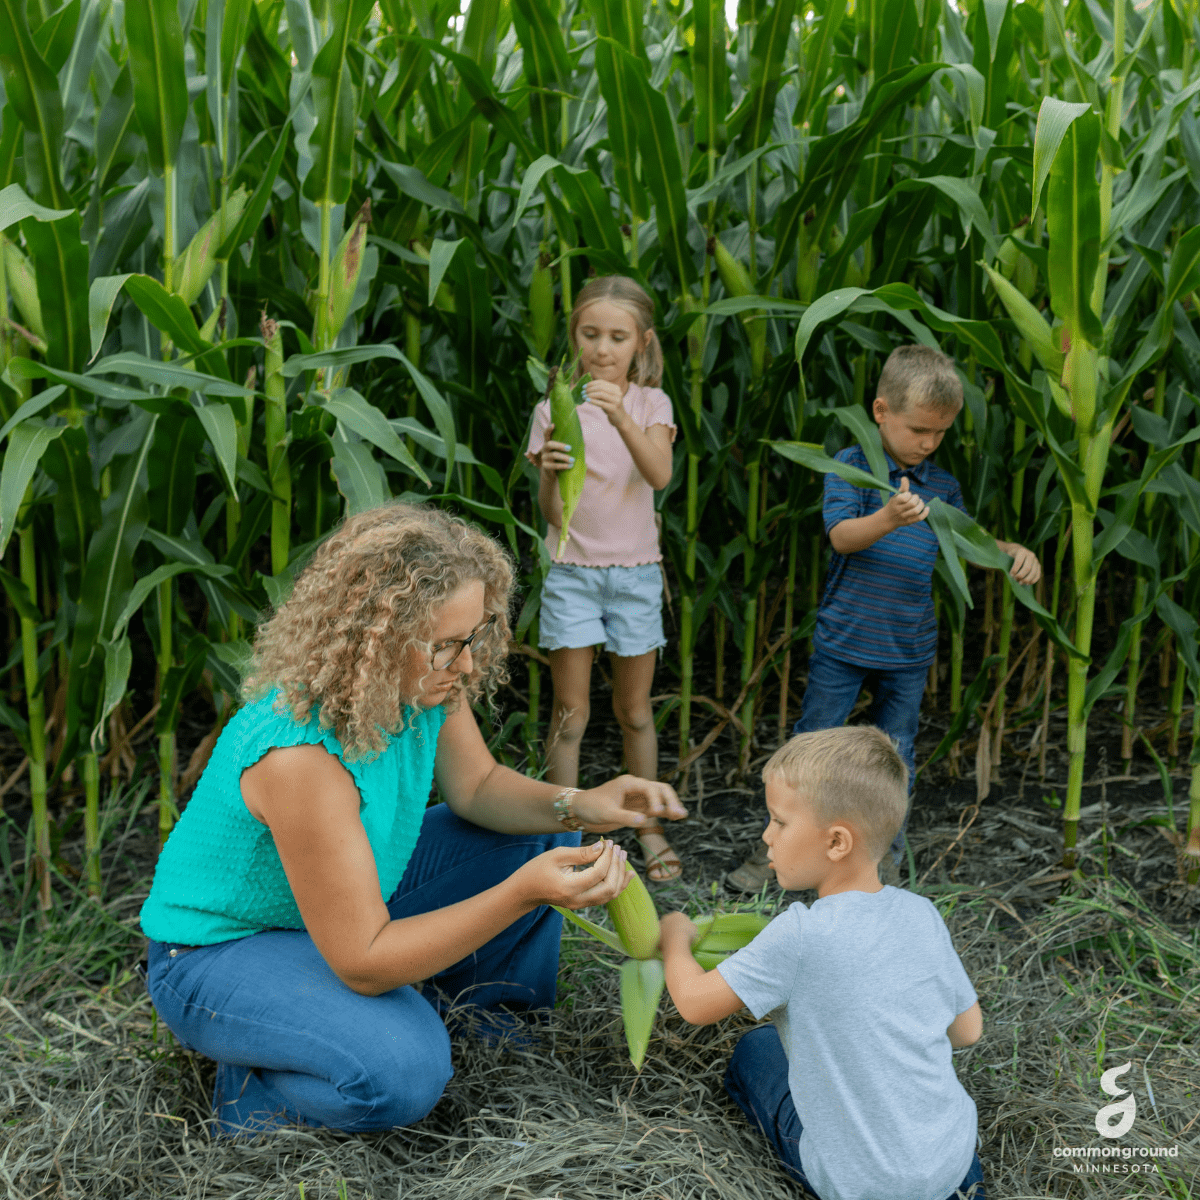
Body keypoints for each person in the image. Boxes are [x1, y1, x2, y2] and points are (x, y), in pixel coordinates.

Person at [139, 503, 685, 1135]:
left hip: (348, 907)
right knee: (400, 1073)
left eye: (475, 637)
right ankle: (253, 1094)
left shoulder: (422, 684)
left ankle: (486, 1022)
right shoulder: (300, 760)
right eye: (448, 646)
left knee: (546, 830)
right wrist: (521, 892)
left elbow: (478, 787)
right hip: (222, 952)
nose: (470, 665)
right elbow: (363, 959)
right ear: (374, 642)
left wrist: (583, 803)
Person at [729, 344, 1041, 890]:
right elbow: (841, 538)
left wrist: (1011, 549)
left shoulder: (940, 486)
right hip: (845, 642)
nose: (928, 443)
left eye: (940, 433)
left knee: (896, 758)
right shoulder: (850, 468)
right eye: (918, 429)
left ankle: (881, 865)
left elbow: (969, 543)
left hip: (907, 648)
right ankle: (773, 858)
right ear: (881, 412)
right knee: (810, 750)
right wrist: (888, 517)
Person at [659, 727, 985, 1200]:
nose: (766, 837)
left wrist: (676, 938)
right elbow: (967, 1032)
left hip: (861, 1185)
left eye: (779, 822)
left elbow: (692, 1002)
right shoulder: (921, 913)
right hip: (952, 1164)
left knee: (757, 1050)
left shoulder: (801, 933)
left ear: (836, 842)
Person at [527, 275, 681, 881]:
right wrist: (547, 474)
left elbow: (659, 474)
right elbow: (555, 515)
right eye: (590, 334)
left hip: (637, 577)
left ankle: (645, 826)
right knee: (570, 714)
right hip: (572, 576)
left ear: (640, 344)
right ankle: (562, 834)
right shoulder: (552, 408)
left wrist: (620, 419)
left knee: (635, 712)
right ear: (575, 338)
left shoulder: (651, 405)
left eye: (617, 337)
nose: (602, 348)